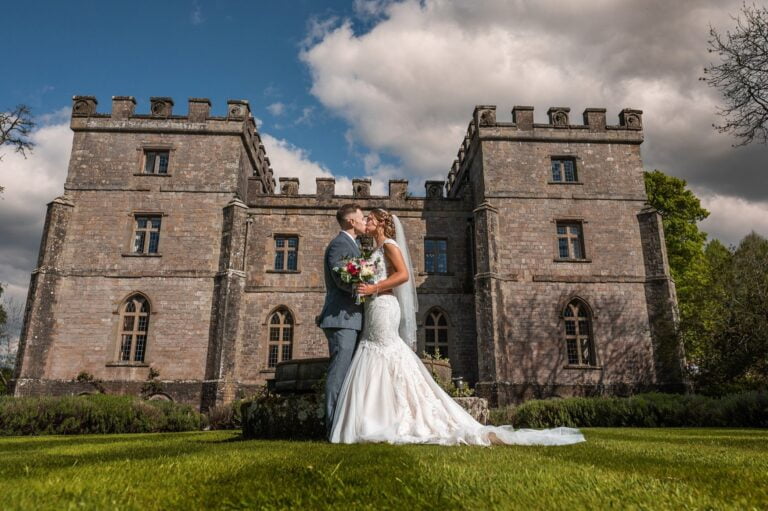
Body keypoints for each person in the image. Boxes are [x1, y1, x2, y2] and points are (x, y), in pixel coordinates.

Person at [329, 208, 585, 446]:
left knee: (386, 353)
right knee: (375, 353)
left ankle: (391, 418)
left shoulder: (390, 245)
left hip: (384, 306)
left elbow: (404, 275)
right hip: (374, 306)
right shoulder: (373, 249)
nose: (367, 222)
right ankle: (376, 417)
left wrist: (374, 287)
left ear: (382, 224)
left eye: (371, 219)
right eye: (366, 219)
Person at [317, 203, 367, 440]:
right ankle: (332, 428)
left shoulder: (354, 245)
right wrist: (367, 288)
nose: (365, 221)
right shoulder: (339, 244)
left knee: (347, 373)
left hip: (352, 318)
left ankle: (344, 425)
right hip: (341, 318)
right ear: (351, 222)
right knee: (339, 373)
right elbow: (340, 279)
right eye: (362, 218)